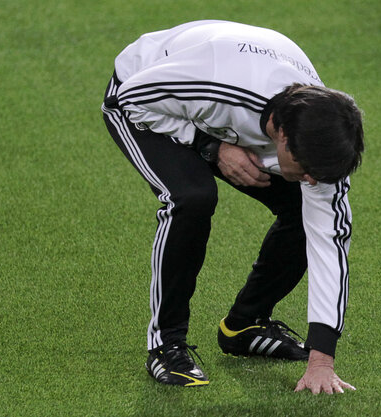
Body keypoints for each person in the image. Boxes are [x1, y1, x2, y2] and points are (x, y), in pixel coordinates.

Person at [101, 20, 364, 394]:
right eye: (305, 171)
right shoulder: (219, 85)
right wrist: (211, 147)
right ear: (282, 139)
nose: (311, 181)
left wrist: (322, 360)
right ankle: (165, 345)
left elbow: (329, 244)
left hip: (221, 112)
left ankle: (245, 325)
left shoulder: (321, 139)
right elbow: (130, 97)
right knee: (192, 198)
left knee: (305, 215)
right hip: (146, 97)